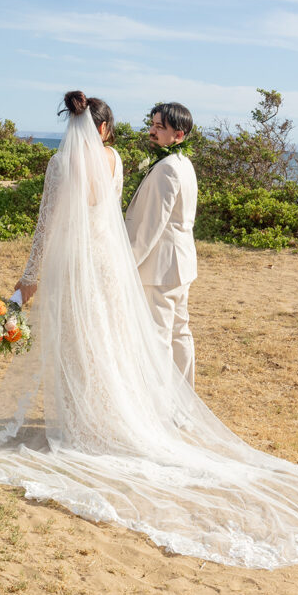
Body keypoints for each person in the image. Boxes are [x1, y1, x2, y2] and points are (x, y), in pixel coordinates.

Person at [0, 90, 298, 570]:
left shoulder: (64, 166)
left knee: (84, 344)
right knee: (108, 343)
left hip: (78, 264)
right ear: (104, 128)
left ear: (75, 124)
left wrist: (24, 285)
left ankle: (95, 425)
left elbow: (49, 225)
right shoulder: (117, 159)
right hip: (106, 260)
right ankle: (107, 416)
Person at [125, 103, 198, 387]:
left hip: (161, 268)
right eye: (152, 124)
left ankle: (162, 408)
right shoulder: (183, 163)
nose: (152, 131)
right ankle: (185, 402)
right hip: (181, 265)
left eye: (160, 127)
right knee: (180, 332)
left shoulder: (167, 169)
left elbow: (150, 227)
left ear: (178, 135)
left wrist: (126, 263)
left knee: (158, 337)